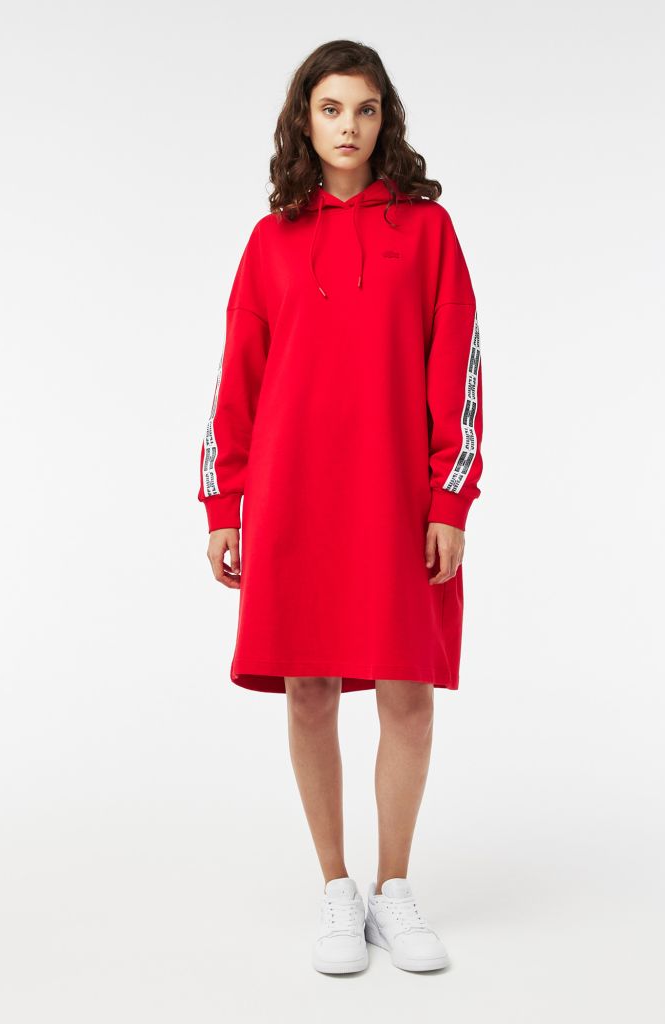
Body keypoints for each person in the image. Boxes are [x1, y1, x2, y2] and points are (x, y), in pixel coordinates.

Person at [197, 40, 483, 975]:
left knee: (407, 689)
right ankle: (336, 887)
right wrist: (224, 504)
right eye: (331, 109)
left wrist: (450, 497)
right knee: (309, 688)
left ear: (384, 119)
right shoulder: (270, 240)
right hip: (293, 497)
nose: (348, 127)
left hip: (398, 497)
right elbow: (236, 379)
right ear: (305, 120)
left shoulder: (428, 232)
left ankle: (393, 889)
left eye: (364, 109)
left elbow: (459, 368)